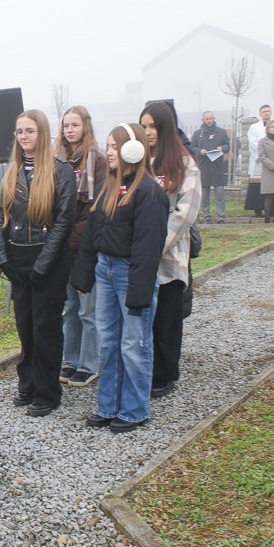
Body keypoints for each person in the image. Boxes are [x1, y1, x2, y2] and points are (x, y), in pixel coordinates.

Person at [73, 123, 169, 433]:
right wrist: (83, 276)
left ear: (133, 149)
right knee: (109, 343)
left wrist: (139, 294)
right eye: (109, 146)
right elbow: (93, 234)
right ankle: (109, 405)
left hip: (131, 275)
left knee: (133, 344)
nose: (109, 152)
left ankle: (134, 409)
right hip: (106, 270)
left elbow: (147, 247)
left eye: (115, 147)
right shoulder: (108, 187)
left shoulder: (149, 192)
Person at [0, 109, 75, 417]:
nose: (23, 136)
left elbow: (64, 220)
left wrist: (43, 265)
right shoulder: (12, 170)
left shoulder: (59, 170)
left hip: (49, 260)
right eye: (19, 131)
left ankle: (47, 391)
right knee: (25, 328)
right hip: (18, 258)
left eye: (30, 130)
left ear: (42, 133)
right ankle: (27, 382)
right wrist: (3, 259)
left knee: (46, 330)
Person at [140, 102, 201, 399]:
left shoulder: (185, 164)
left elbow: (184, 213)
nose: (148, 132)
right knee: (145, 319)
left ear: (165, 128)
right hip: (139, 255)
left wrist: (154, 245)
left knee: (167, 319)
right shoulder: (138, 161)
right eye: (144, 126)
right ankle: (146, 369)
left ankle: (166, 374)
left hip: (170, 256)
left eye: (153, 126)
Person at [54, 106, 106, 388]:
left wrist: (71, 234)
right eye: (65, 125)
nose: (70, 130)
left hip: (85, 245)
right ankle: (71, 361)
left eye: (74, 125)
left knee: (88, 309)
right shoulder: (57, 160)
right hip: (61, 244)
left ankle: (88, 364)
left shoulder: (97, 160)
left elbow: (95, 206)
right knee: (68, 307)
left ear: (85, 126)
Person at [190, 111, 229, 224]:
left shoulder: (221, 132)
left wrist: (222, 148)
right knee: (205, 195)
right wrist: (200, 151)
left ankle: (220, 217)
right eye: (207, 119)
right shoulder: (198, 134)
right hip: (204, 167)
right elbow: (192, 147)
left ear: (214, 118)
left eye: (211, 118)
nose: (209, 120)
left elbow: (227, 145)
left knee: (219, 194)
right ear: (203, 120)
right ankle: (207, 217)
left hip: (217, 167)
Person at [246, 105, 274, 217]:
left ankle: (273, 210)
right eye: (264, 111)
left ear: (271, 112)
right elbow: (253, 143)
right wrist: (263, 155)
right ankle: (257, 209)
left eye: (268, 111)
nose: (266, 113)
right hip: (259, 160)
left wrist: (273, 157)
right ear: (260, 114)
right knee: (257, 186)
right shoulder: (254, 127)